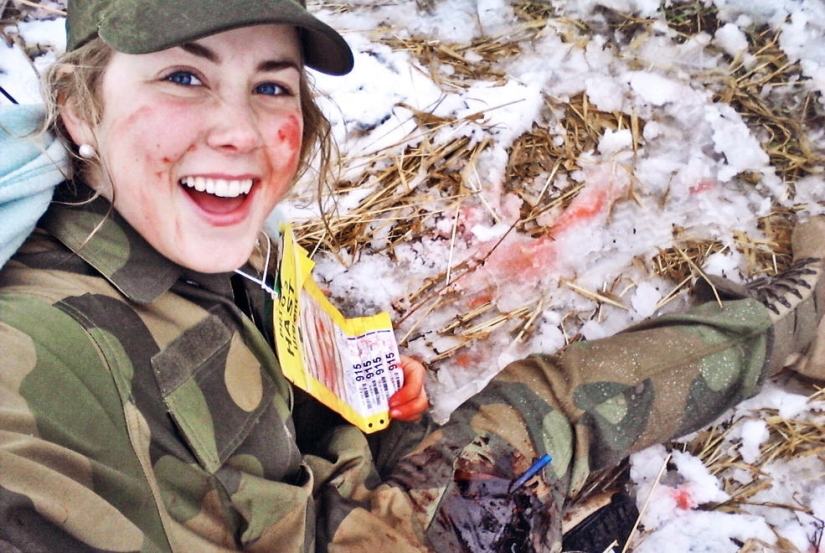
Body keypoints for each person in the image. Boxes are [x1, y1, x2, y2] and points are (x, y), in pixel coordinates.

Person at [0, 1, 823, 552]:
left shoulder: (170, 221)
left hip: (338, 485)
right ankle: (804, 312)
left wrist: (351, 395)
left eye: (270, 84)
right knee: (549, 408)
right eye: (184, 77)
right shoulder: (34, 358)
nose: (240, 131)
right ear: (76, 105)